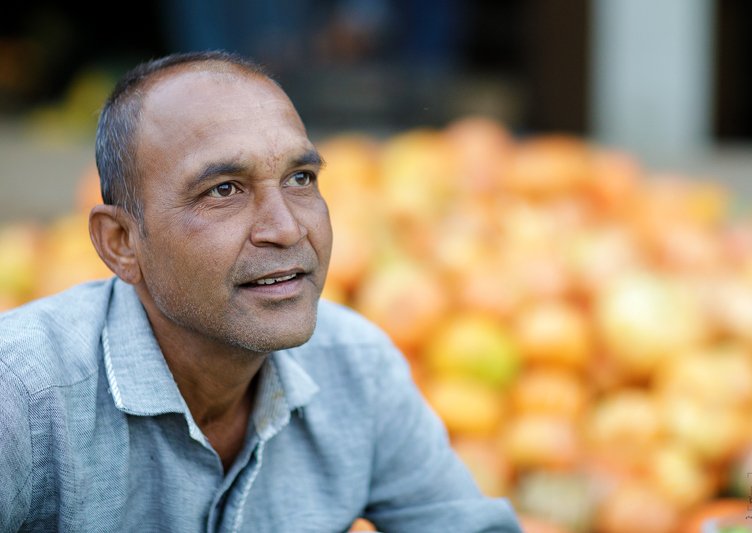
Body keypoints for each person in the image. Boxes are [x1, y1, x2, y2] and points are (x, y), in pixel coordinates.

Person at [0, 51, 521, 532]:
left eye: (300, 178)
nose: (288, 229)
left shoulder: (359, 368)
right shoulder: (23, 397)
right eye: (223, 190)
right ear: (121, 243)